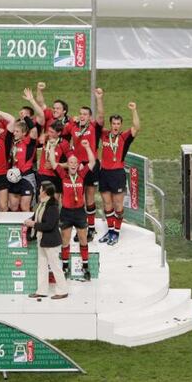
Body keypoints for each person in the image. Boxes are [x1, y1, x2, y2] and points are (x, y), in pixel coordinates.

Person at [49, 139, 97, 280]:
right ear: (67, 165)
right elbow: (53, 162)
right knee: (66, 240)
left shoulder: (82, 176)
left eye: (75, 163)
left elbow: (92, 162)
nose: (73, 165)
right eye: (71, 163)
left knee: (83, 239)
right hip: (66, 212)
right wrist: (52, 147)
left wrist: (88, 147)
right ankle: (64, 267)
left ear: (78, 165)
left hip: (80, 212)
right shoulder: (63, 176)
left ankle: (85, 266)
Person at [64, 88, 105, 241]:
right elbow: (61, 130)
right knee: (78, 198)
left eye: (85, 114)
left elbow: (101, 115)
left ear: (90, 117)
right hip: (78, 166)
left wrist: (99, 98)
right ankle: (80, 227)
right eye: (80, 113)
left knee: (89, 197)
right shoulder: (73, 127)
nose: (82, 116)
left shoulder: (95, 127)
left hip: (92, 165)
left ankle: (91, 229)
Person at [98, 102, 140, 246]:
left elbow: (136, 127)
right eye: (113, 123)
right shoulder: (104, 134)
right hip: (103, 173)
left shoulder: (124, 137)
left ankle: (116, 232)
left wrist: (134, 110)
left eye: (118, 123)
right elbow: (98, 121)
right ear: (110, 124)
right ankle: (110, 231)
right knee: (107, 204)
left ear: (121, 125)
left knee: (118, 205)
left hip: (117, 174)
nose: (115, 126)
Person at [26, 181, 68, 300]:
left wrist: (33, 224)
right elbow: (36, 217)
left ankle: (63, 290)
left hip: (51, 241)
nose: (39, 190)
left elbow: (49, 225)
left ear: (44, 192)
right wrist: (29, 220)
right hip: (42, 240)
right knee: (42, 266)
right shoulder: (42, 204)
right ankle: (41, 290)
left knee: (55, 266)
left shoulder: (53, 206)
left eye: (40, 189)